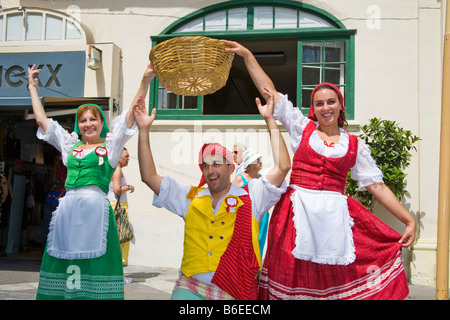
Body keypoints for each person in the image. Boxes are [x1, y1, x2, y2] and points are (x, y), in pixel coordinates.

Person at [223, 40, 416, 300]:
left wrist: (408, 220)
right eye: (319, 104)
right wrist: (246, 55)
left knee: (335, 283)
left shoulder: (355, 146)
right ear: (313, 109)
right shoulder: (303, 128)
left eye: (331, 102)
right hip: (295, 216)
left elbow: (377, 186)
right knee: (293, 280)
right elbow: (270, 92)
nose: (326, 108)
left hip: (334, 219)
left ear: (340, 105)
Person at [133, 69, 291, 300]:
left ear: (230, 167)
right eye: (205, 165)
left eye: (216, 163)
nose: (210, 170)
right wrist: (144, 130)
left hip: (236, 291)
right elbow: (149, 177)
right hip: (191, 286)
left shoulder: (253, 195)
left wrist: (270, 120)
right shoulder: (190, 196)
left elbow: (283, 167)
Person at [28, 63, 155, 300]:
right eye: (83, 120)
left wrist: (145, 81)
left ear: (101, 122)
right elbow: (42, 121)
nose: (88, 124)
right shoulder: (69, 146)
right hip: (68, 210)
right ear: (78, 124)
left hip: (96, 210)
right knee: (63, 259)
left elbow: (129, 116)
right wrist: (32, 88)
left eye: (93, 119)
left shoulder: (110, 146)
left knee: (95, 262)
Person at [232, 148, 269, 258]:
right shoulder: (240, 178)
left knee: (259, 241)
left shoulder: (263, 178)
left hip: (262, 216)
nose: (261, 162)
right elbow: (229, 197)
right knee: (246, 244)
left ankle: (256, 269)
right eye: (258, 160)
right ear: (251, 163)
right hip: (246, 216)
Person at [108, 148, 134, 274]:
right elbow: (117, 190)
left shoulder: (115, 170)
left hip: (115, 206)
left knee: (117, 239)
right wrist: (129, 187)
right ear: (118, 157)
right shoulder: (117, 170)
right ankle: (116, 270)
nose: (128, 158)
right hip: (117, 207)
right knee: (121, 238)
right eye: (126, 156)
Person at [41, 154, 67, 250]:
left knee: (61, 230)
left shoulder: (71, 167)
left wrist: (57, 185)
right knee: (47, 229)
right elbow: (52, 182)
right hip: (51, 200)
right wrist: (55, 164)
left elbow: (67, 184)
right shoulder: (56, 167)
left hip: (63, 201)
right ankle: (44, 255)